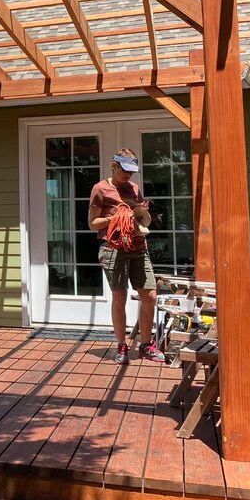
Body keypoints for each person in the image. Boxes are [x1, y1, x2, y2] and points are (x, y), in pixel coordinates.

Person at [88, 148, 165, 365]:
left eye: (132, 171)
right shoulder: (100, 189)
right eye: (125, 171)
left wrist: (142, 213)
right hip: (113, 248)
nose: (129, 175)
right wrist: (117, 217)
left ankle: (146, 345)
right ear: (114, 166)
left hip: (138, 246)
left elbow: (142, 219)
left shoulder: (134, 188)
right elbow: (92, 223)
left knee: (149, 296)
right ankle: (121, 345)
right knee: (119, 297)